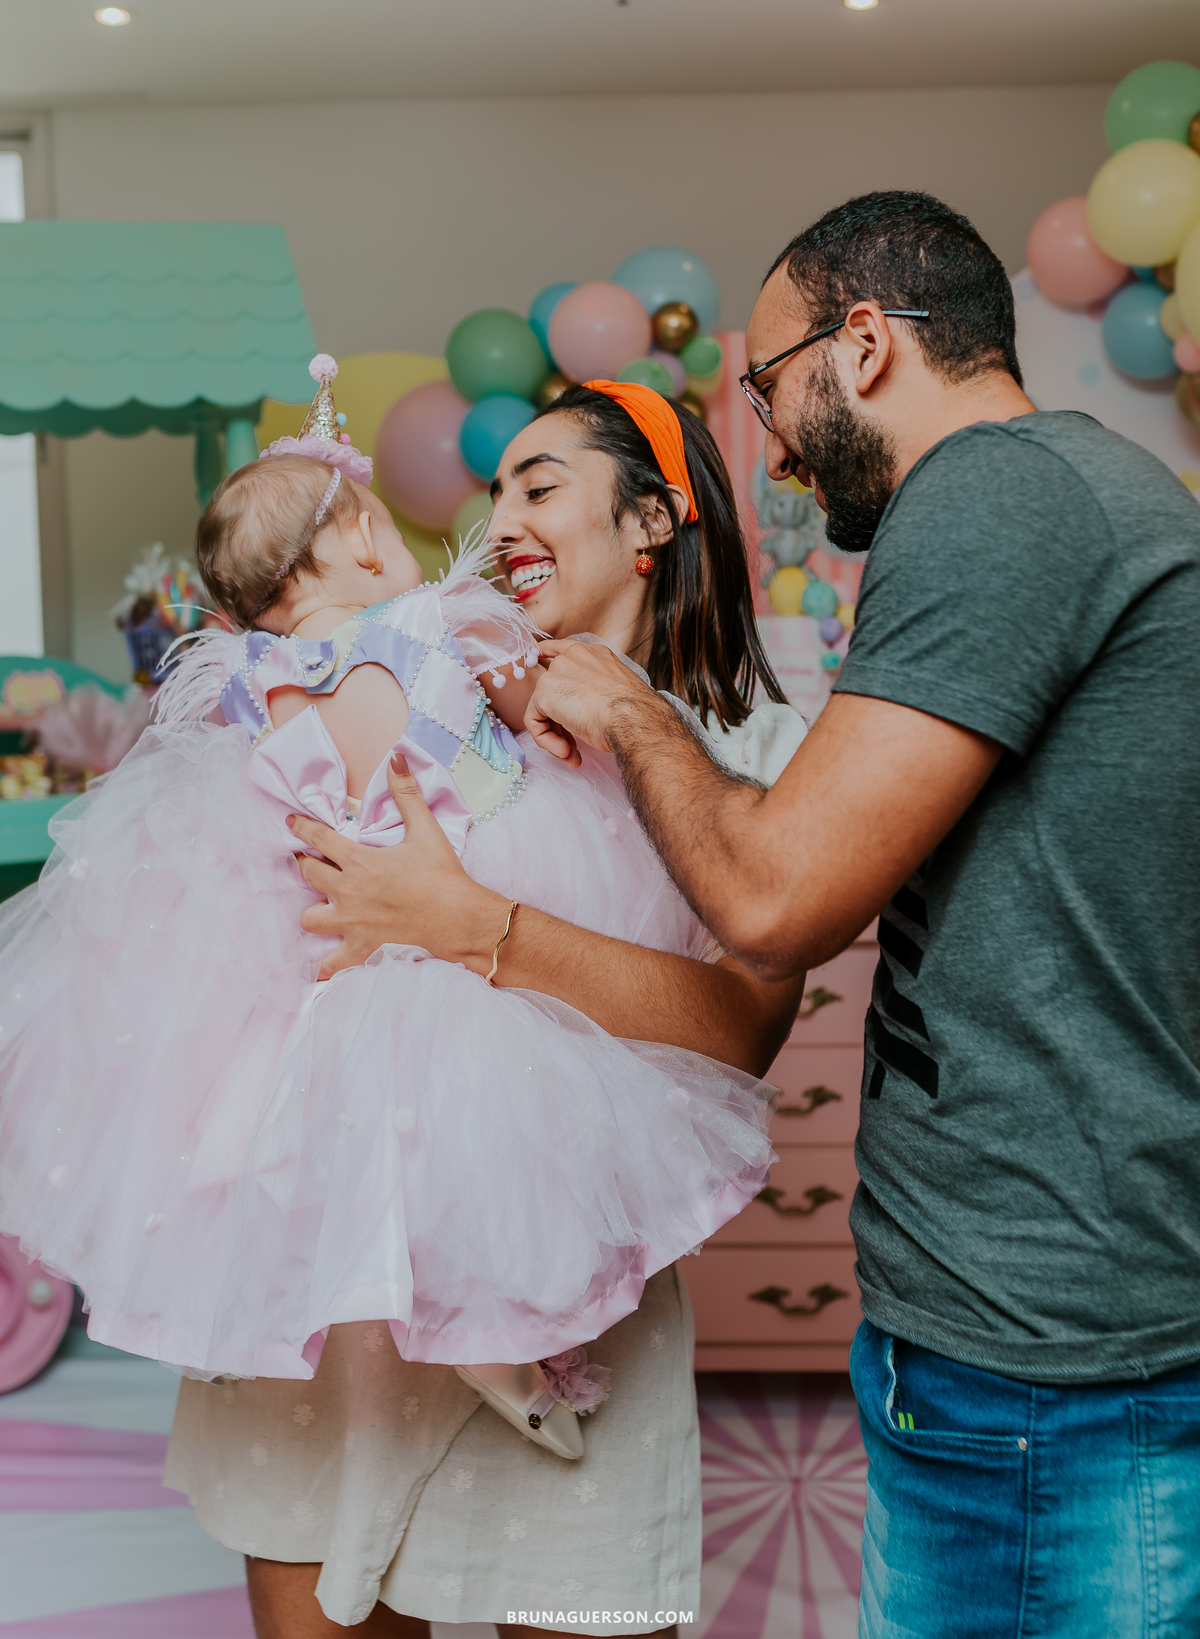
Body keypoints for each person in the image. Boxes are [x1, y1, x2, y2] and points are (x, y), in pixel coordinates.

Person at [502, 190, 1200, 1637]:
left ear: (865, 345)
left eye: (769, 385)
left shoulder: (1001, 495)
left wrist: (631, 713)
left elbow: (772, 899)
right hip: (1023, 1320)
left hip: (1045, 1352)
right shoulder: (1069, 494)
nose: (765, 434)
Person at [164, 377, 809, 1637]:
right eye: (494, 486)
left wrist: (478, 928)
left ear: (653, 521)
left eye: (540, 483)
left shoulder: (752, 749)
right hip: (324, 1308)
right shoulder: (402, 669)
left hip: (565, 1314)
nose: (497, 512)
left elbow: (740, 1031)